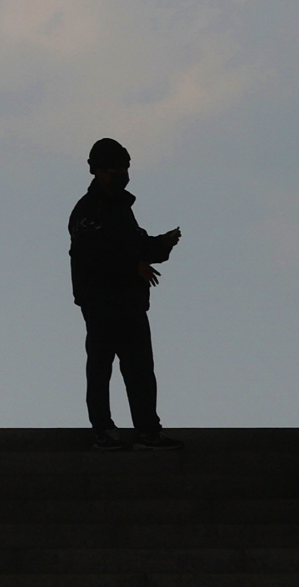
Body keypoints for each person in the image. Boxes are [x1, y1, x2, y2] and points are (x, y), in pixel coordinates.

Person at [68, 138, 183, 451]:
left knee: (140, 369)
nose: (124, 173)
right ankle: (102, 430)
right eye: (118, 168)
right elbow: (93, 253)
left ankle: (148, 430)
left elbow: (136, 244)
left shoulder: (121, 210)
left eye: (126, 167)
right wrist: (134, 266)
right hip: (101, 300)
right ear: (99, 171)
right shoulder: (87, 210)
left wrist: (163, 244)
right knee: (101, 367)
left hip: (130, 302)